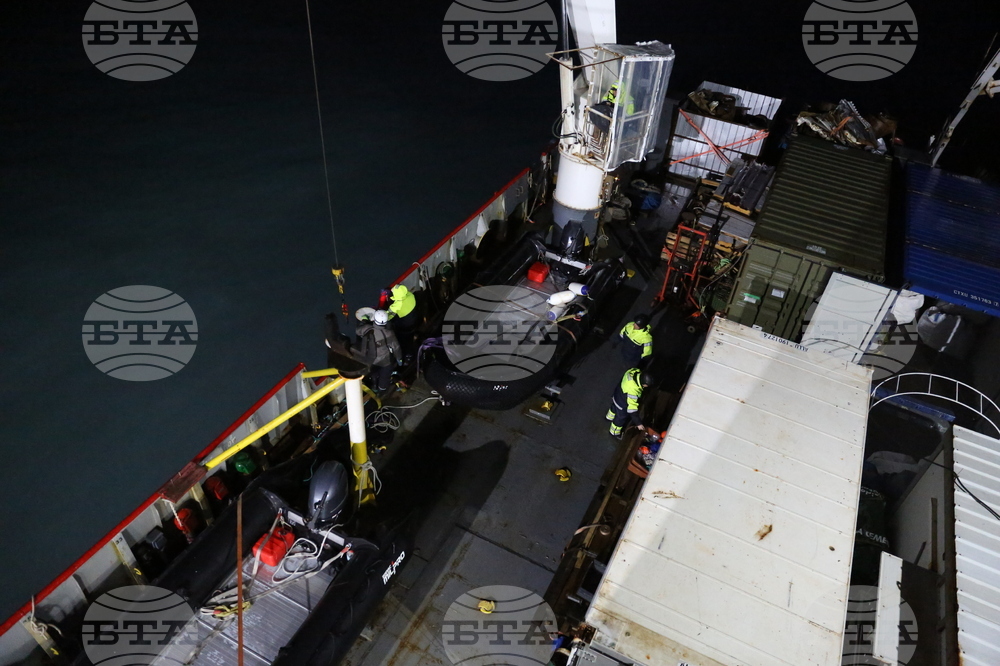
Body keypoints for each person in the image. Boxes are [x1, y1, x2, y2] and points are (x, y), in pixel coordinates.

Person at [355, 309, 402, 393]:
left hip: (370, 359)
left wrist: (364, 322)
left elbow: (358, 331)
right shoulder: (389, 333)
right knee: (385, 374)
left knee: (372, 371)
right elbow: (396, 347)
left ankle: (373, 384)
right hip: (384, 360)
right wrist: (399, 359)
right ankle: (382, 389)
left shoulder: (366, 328)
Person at [606, 368, 652, 439]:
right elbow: (632, 409)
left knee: (614, 407)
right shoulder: (633, 390)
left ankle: (609, 417)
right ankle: (614, 432)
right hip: (622, 403)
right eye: (647, 385)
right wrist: (638, 423)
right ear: (644, 383)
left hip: (617, 394)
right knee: (620, 419)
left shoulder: (633, 371)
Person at [387, 284, 418, 360]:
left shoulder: (397, 305)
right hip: (413, 321)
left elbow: (387, 317)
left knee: (402, 341)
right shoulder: (410, 295)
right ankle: (412, 354)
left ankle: (405, 356)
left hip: (404, 327)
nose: (392, 291)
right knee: (409, 340)